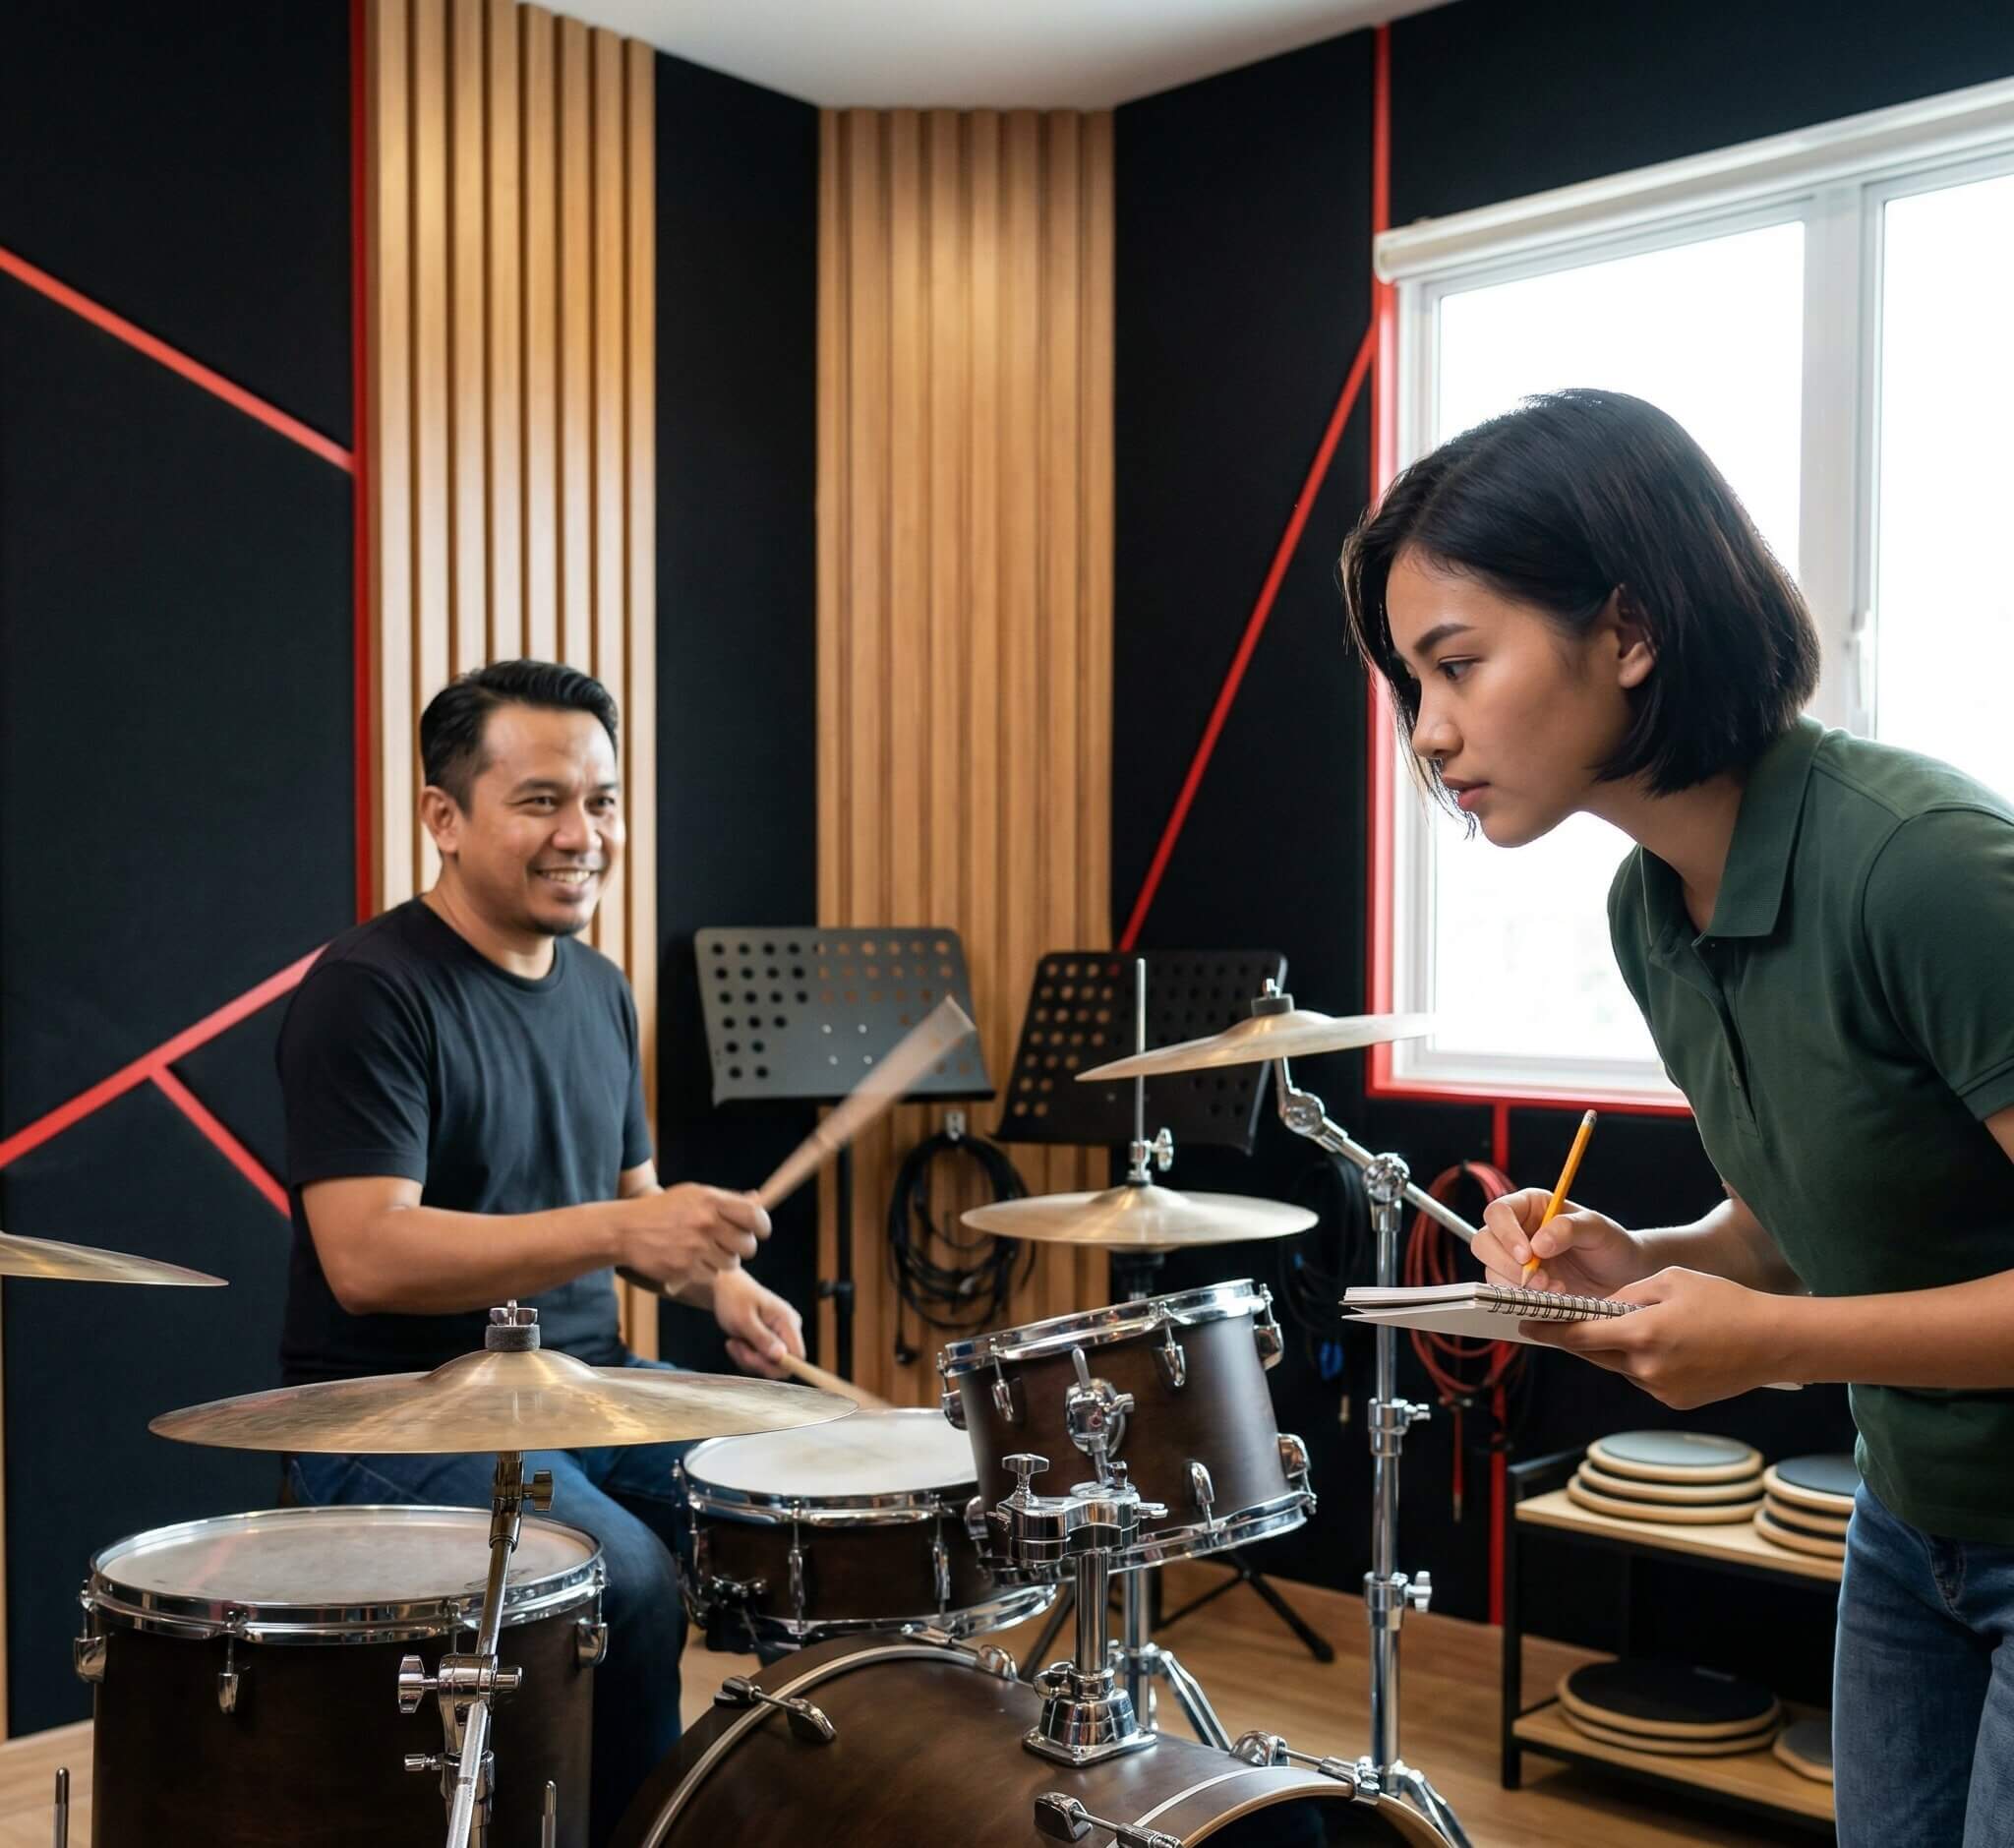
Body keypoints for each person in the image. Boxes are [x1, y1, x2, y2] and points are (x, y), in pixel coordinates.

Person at [1338, 389, 2014, 1848]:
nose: (1430, 731)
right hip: (1917, 1520)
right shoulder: (1653, 906)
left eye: (1456, 663)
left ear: (1630, 632)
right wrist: (1634, 1250)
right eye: (1410, 684)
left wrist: (1775, 1348)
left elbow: (1791, 1308)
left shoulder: (1923, 869)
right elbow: (1788, 1228)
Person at [275, 658, 806, 1845]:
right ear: (443, 817)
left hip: (578, 1387)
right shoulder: (370, 992)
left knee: (811, 1503)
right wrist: (627, 1227)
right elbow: (366, 1254)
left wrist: (719, 1280)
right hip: (388, 1409)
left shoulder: (601, 992)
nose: (583, 834)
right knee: (620, 1581)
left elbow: (632, 1203)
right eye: (541, 801)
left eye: (603, 800)